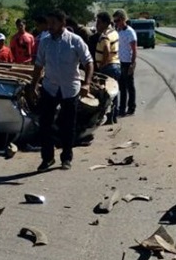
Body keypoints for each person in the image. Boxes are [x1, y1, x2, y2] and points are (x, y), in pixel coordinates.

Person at [30, 9, 94, 172]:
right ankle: (47, 158)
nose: (49, 26)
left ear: (62, 23)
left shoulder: (75, 41)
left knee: (68, 125)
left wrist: (87, 83)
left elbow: (88, 62)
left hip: (69, 88)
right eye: (48, 23)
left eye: (53, 23)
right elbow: (39, 66)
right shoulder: (45, 42)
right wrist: (33, 86)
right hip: (50, 87)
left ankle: (66, 157)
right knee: (45, 124)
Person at [94, 11, 121, 124]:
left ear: (105, 23)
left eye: (99, 22)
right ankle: (113, 117)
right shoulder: (113, 32)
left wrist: (102, 65)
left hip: (108, 66)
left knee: (106, 94)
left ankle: (108, 117)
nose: (97, 25)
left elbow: (106, 50)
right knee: (113, 93)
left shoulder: (105, 36)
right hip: (115, 65)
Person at [113, 9, 138, 116]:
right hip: (120, 62)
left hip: (127, 62)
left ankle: (131, 107)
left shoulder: (130, 32)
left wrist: (132, 64)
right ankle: (122, 108)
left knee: (129, 86)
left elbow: (134, 49)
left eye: (117, 20)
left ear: (123, 19)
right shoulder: (118, 31)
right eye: (114, 21)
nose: (116, 23)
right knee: (121, 87)